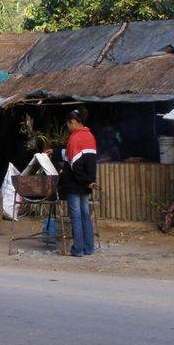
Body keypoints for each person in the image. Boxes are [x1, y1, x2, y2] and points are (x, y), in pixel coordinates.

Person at [60, 107, 98, 256]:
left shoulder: (75, 138)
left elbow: (74, 163)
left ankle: (78, 249)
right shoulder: (90, 136)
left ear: (74, 122)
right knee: (85, 215)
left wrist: (83, 180)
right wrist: (89, 181)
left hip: (75, 184)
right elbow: (85, 160)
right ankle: (89, 248)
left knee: (75, 215)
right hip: (85, 183)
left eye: (68, 124)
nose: (68, 127)